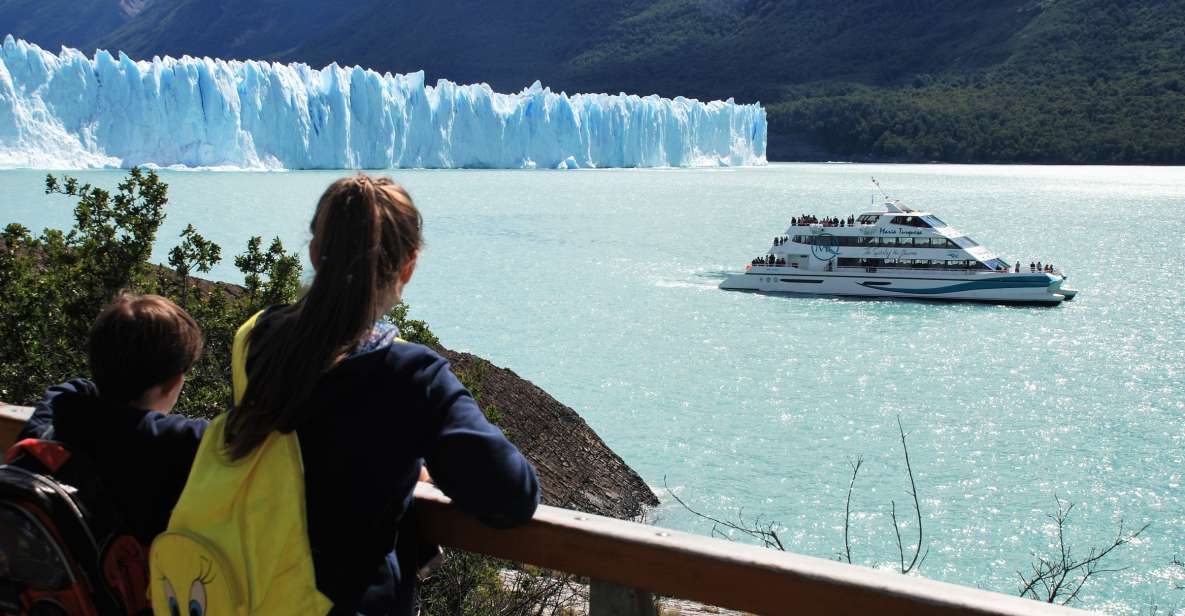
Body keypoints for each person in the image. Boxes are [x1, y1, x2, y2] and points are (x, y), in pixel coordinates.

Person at [170, 175, 540, 615]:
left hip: (252, 592)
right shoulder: (410, 374)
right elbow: (512, 494)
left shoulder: (256, 337)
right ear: (408, 266)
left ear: (313, 252)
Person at [18, 294, 208, 546]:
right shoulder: (174, 443)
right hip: (116, 584)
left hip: (26, 575)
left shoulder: (59, 411)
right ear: (174, 383)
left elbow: (78, 388)